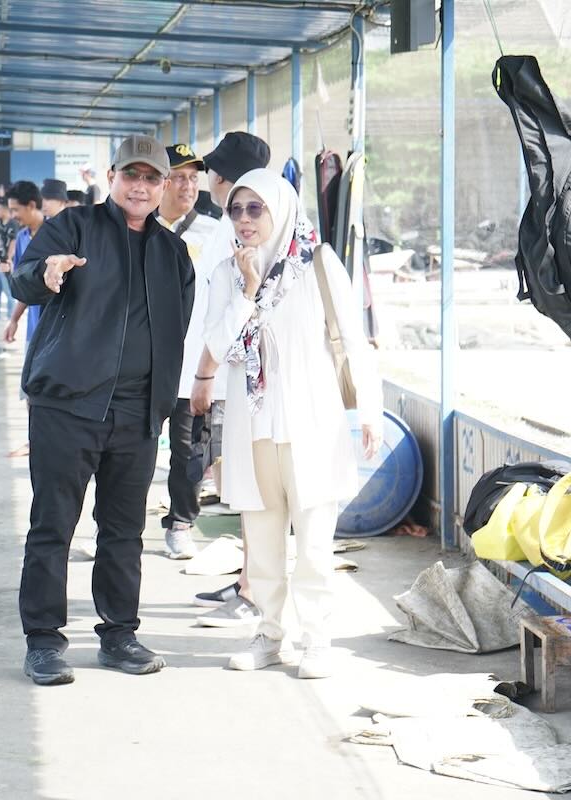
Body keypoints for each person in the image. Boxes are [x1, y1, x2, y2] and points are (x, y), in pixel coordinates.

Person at [12, 135, 194, 685]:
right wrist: (45, 274)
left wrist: (162, 403)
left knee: (123, 531)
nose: (140, 186)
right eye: (131, 175)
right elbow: (24, 276)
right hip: (67, 405)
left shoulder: (172, 252)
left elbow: (178, 328)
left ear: (163, 186)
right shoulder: (74, 226)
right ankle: (44, 642)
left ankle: (119, 635)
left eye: (152, 178)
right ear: (112, 177)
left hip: (137, 414)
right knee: (53, 525)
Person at [199, 169, 382, 679]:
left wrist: (370, 408)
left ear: (280, 210)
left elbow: (354, 337)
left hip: (311, 423)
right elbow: (218, 346)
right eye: (236, 210)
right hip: (253, 426)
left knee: (315, 541)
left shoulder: (318, 264)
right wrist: (247, 291)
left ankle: (316, 639)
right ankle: (269, 634)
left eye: (255, 209)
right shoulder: (226, 273)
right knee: (261, 542)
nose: (244, 220)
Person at [188, 131, 273, 626]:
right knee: (242, 487)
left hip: (238, 381)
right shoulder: (238, 225)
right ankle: (247, 578)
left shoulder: (236, 232)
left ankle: (253, 587)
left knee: (250, 489)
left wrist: (204, 374)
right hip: (234, 379)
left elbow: (234, 314)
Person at [156, 144, 220, 560]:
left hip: (190, 366)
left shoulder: (213, 234)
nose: (188, 186)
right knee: (128, 451)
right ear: (160, 182)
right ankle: (112, 524)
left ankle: (181, 523)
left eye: (194, 178)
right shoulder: (137, 228)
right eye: (179, 177)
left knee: (189, 450)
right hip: (141, 366)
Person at [2, 181, 44, 347]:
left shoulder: (57, 233)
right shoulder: (22, 238)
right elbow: (24, 284)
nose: (12, 215)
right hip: (34, 327)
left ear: (31, 205)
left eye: (15, 210)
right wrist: (14, 320)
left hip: (58, 328)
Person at [0, 199, 18, 322]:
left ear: (5, 210)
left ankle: (11, 316)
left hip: (5, 262)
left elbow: (13, 242)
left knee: (8, 290)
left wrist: (8, 259)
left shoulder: (13, 224)